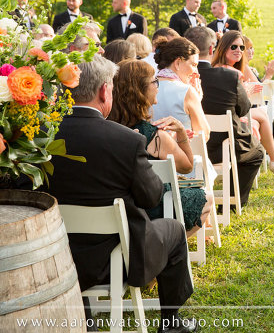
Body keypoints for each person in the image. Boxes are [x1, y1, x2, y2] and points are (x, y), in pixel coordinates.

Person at [44, 56, 197, 333]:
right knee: (174, 229)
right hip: (119, 256)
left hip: (55, 255)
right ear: (105, 90)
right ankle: (172, 323)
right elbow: (151, 197)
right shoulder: (126, 140)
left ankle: (84, 320)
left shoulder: (41, 137)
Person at [109, 59, 213, 238]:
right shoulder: (155, 137)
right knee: (207, 199)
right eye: (154, 82)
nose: (158, 86)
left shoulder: (107, 128)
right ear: (140, 90)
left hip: (115, 209)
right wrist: (180, 132)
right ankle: (166, 246)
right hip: (152, 208)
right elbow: (188, 166)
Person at [185, 26, 265, 207]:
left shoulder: (182, 77)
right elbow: (244, 109)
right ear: (212, 48)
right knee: (257, 152)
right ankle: (232, 202)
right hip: (223, 147)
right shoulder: (230, 76)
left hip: (189, 146)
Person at [210, 30, 274, 175]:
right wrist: (246, 92)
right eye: (234, 47)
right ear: (223, 47)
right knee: (262, 115)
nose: (239, 50)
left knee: (262, 114)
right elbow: (241, 105)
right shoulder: (230, 72)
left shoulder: (224, 68)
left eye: (241, 47)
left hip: (227, 113)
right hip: (229, 116)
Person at [152, 37, 210, 140]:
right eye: (193, 65)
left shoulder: (145, 87)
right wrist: (196, 97)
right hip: (182, 154)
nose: (196, 72)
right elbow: (203, 135)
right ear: (178, 62)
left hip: (151, 154)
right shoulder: (187, 91)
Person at [242, 34, 274, 155]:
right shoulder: (245, 67)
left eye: (251, 47)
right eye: (247, 48)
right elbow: (260, 90)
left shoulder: (248, 67)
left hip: (255, 102)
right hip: (253, 105)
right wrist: (268, 75)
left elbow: (258, 85)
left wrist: (267, 75)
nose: (250, 51)